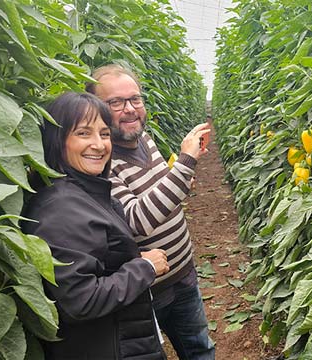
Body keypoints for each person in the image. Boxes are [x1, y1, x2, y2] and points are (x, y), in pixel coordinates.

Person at [22, 92, 169, 359]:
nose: (99, 145)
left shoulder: (84, 192)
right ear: (57, 140)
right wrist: (144, 267)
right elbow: (81, 300)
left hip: (120, 338)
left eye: (104, 134)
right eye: (83, 133)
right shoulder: (60, 208)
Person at [86, 64, 215, 360]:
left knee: (200, 349)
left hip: (183, 274)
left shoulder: (143, 138)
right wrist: (184, 164)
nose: (129, 109)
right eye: (115, 103)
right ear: (95, 110)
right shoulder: (100, 161)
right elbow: (136, 220)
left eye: (135, 99)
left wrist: (178, 178)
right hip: (146, 292)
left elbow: (155, 195)